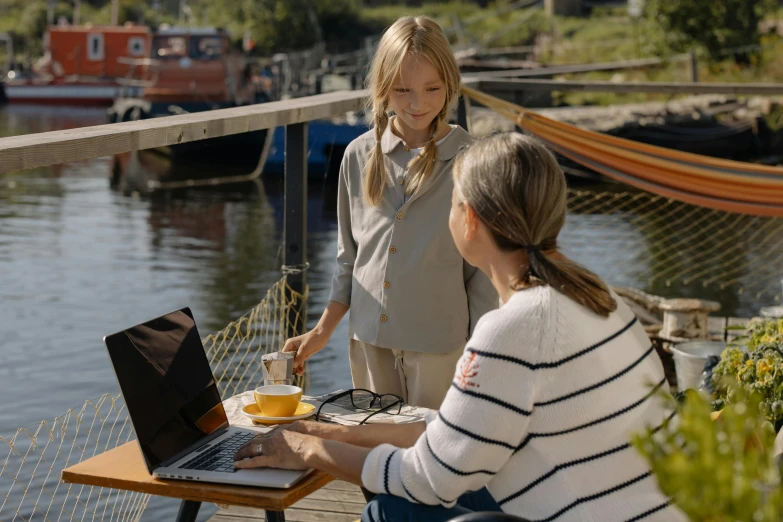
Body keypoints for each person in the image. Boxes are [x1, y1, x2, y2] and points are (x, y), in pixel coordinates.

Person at [235, 133, 686, 522]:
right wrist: (330, 434)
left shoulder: (513, 331)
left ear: (469, 220)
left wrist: (305, 451)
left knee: (388, 509)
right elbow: (461, 429)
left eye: (451, 202)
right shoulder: (599, 298)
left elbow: (424, 479)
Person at [282, 16, 498, 409]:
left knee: (432, 457)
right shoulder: (356, 156)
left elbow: (482, 275)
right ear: (383, 87)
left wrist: (481, 353)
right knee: (375, 457)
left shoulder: (474, 163)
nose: (418, 103)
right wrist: (322, 330)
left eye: (432, 88)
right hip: (368, 344)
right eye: (402, 90)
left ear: (450, 84)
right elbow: (349, 260)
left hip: (440, 348)